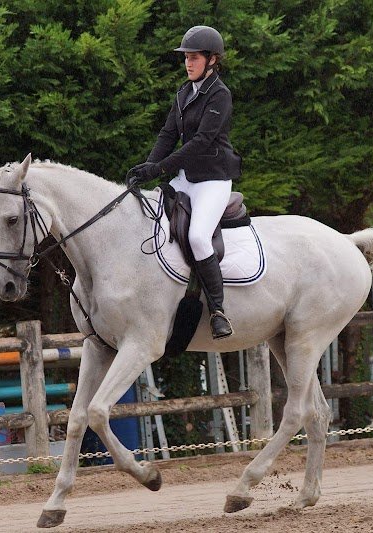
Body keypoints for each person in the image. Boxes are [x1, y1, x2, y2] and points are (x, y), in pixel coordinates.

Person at [127, 25, 242, 340]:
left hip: (213, 180)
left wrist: (160, 168)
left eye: (194, 58)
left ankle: (218, 311)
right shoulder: (183, 92)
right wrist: (148, 166)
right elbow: (168, 135)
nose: (188, 63)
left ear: (212, 60)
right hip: (186, 178)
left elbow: (202, 141)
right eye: (186, 58)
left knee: (198, 237)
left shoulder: (220, 94)